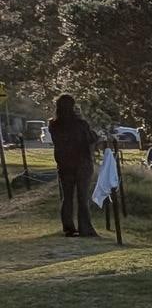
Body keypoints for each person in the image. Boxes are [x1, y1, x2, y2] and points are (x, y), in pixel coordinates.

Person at [48, 95, 97, 238]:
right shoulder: (80, 123)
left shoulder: (54, 125)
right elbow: (90, 138)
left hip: (64, 164)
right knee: (82, 197)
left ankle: (68, 227)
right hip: (82, 163)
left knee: (67, 197)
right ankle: (85, 228)